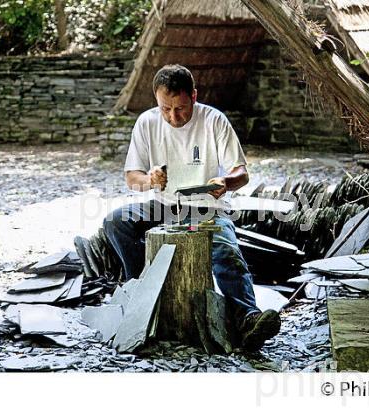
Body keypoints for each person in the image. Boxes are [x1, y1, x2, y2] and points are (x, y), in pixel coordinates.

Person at [103, 64, 280, 351]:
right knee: (116, 222)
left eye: (181, 108)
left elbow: (242, 173)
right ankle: (139, 293)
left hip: (207, 206)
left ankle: (248, 318)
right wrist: (149, 180)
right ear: (156, 101)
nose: (174, 117)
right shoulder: (147, 123)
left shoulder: (214, 121)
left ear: (194, 96)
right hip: (163, 204)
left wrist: (225, 181)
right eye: (165, 109)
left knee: (224, 249)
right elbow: (130, 178)